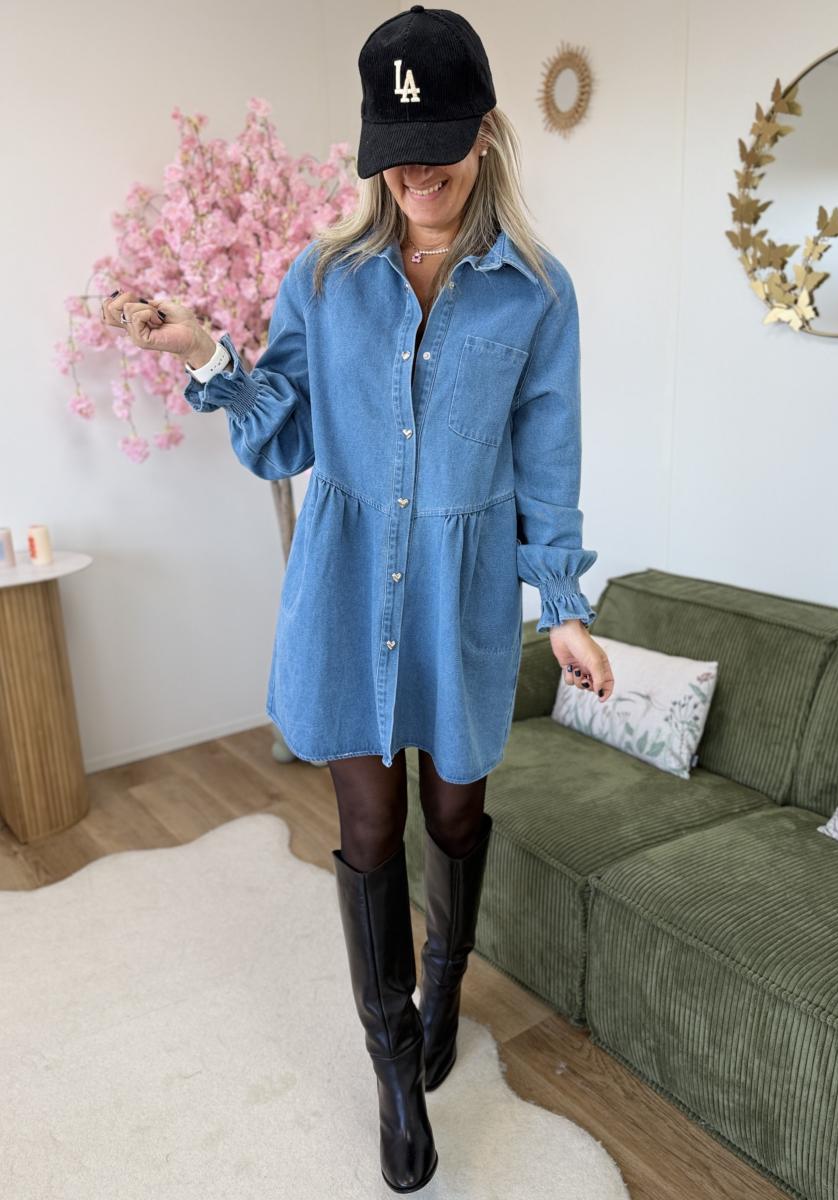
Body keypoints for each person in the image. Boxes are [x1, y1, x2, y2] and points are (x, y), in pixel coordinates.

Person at [101, 5, 615, 1191]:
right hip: (345, 594)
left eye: (438, 147)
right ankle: (394, 1065)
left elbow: (550, 462)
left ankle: (444, 987)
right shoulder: (323, 279)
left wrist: (564, 605)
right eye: (396, 151)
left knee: (454, 817)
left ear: (485, 133)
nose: (416, 174)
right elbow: (280, 440)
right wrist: (206, 355)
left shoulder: (538, 294)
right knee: (372, 830)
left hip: (463, 599)